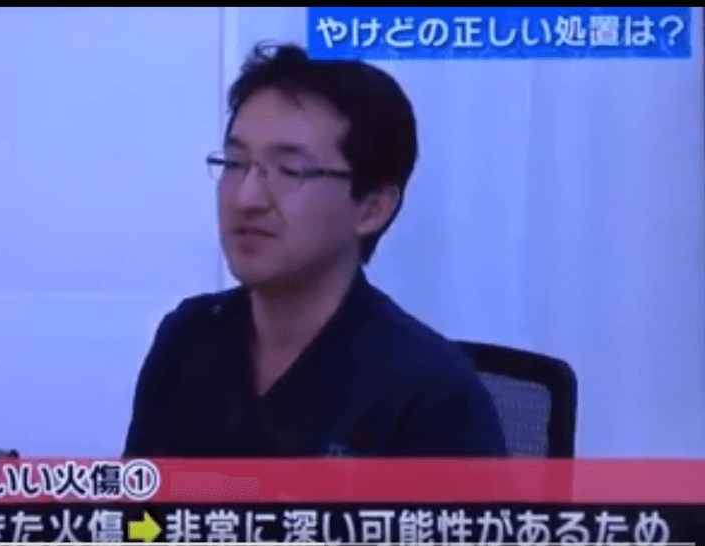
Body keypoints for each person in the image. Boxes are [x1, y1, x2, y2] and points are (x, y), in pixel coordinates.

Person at [123, 44, 508, 458]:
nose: (246, 197)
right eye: (235, 164)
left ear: (372, 207)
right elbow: (143, 500)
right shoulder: (190, 336)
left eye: (290, 170)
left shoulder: (431, 395)